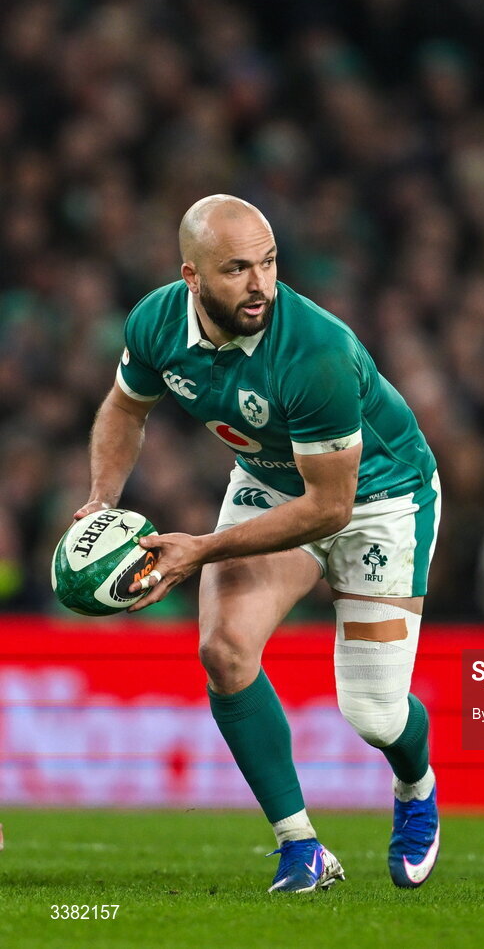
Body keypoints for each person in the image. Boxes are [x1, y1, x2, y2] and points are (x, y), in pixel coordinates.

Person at [74, 195, 442, 893]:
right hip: (272, 485)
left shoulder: (316, 350)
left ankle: (415, 781)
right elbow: (125, 407)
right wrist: (100, 500)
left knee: (372, 713)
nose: (261, 284)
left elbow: (329, 508)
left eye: (269, 263)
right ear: (192, 276)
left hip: (380, 502)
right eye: (238, 268)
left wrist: (200, 549)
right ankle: (300, 847)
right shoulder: (156, 322)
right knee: (223, 649)